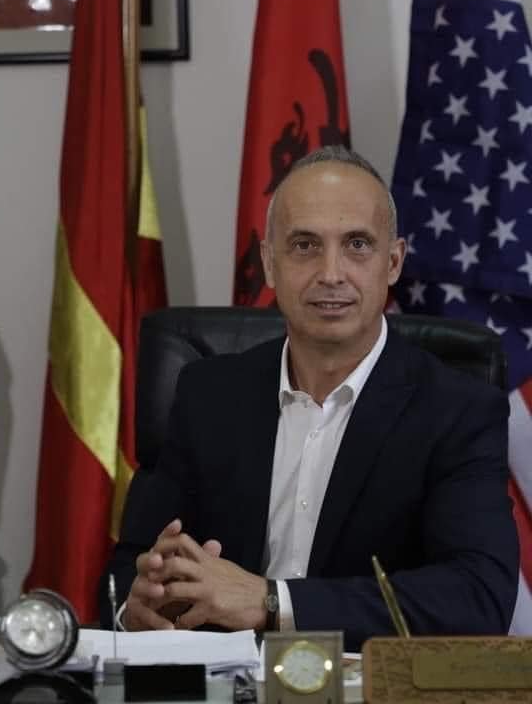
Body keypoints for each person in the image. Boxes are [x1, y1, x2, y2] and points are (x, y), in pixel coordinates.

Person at [102, 146, 519, 650]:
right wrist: (138, 607)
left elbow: (477, 597)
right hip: (225, 681)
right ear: (269, 263)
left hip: (369, 684)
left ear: (392, 263)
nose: (331, 273)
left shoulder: (458, 410)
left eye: (357, 245)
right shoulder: (208, 394)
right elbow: (131, 566)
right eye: (304, 245)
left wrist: (272, 601)